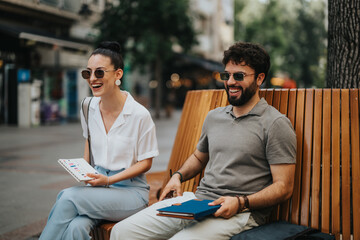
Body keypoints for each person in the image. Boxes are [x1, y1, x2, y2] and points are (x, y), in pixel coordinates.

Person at [110, 42, 297, 240]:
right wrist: (178, 177)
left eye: (239, 76)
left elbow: (283, 187)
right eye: (227, 75)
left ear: (260, 78)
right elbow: (199, 157)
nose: (230, 82)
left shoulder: (275, 123)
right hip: (198, 203)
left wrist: (241, 202)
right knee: (121, 232)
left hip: (242, 212)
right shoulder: (215, 117)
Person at [39, 41, 159, 240]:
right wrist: (83, 169)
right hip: (98, 188)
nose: (92, 79)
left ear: (118, 74)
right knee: (75, 227)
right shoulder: (88, 106)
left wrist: (110, 179)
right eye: (88, 73)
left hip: (130, 193)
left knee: (68, 197)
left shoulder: (139, 114)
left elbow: (146, 163)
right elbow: (89, 141)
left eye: (100, 72)